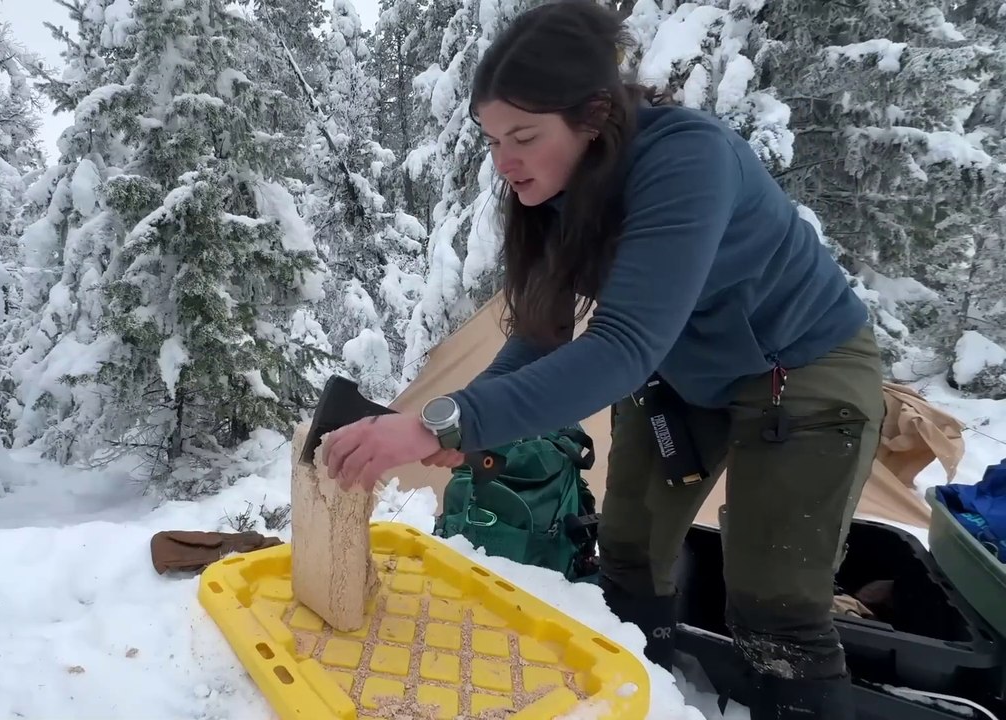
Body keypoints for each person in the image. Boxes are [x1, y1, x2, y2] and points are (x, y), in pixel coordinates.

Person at [319, 0, 884, 717]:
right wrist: (469, 425)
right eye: (492, 140)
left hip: (799, 370)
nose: (504, 161)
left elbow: (619, 348)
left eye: (522, 136)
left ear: (593, 114)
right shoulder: (557, 189)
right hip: (684, 375)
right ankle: (642, 699)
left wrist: (440, 421)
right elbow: (541, 331)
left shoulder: (687, 160)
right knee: (625, 555)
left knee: (776, 607)